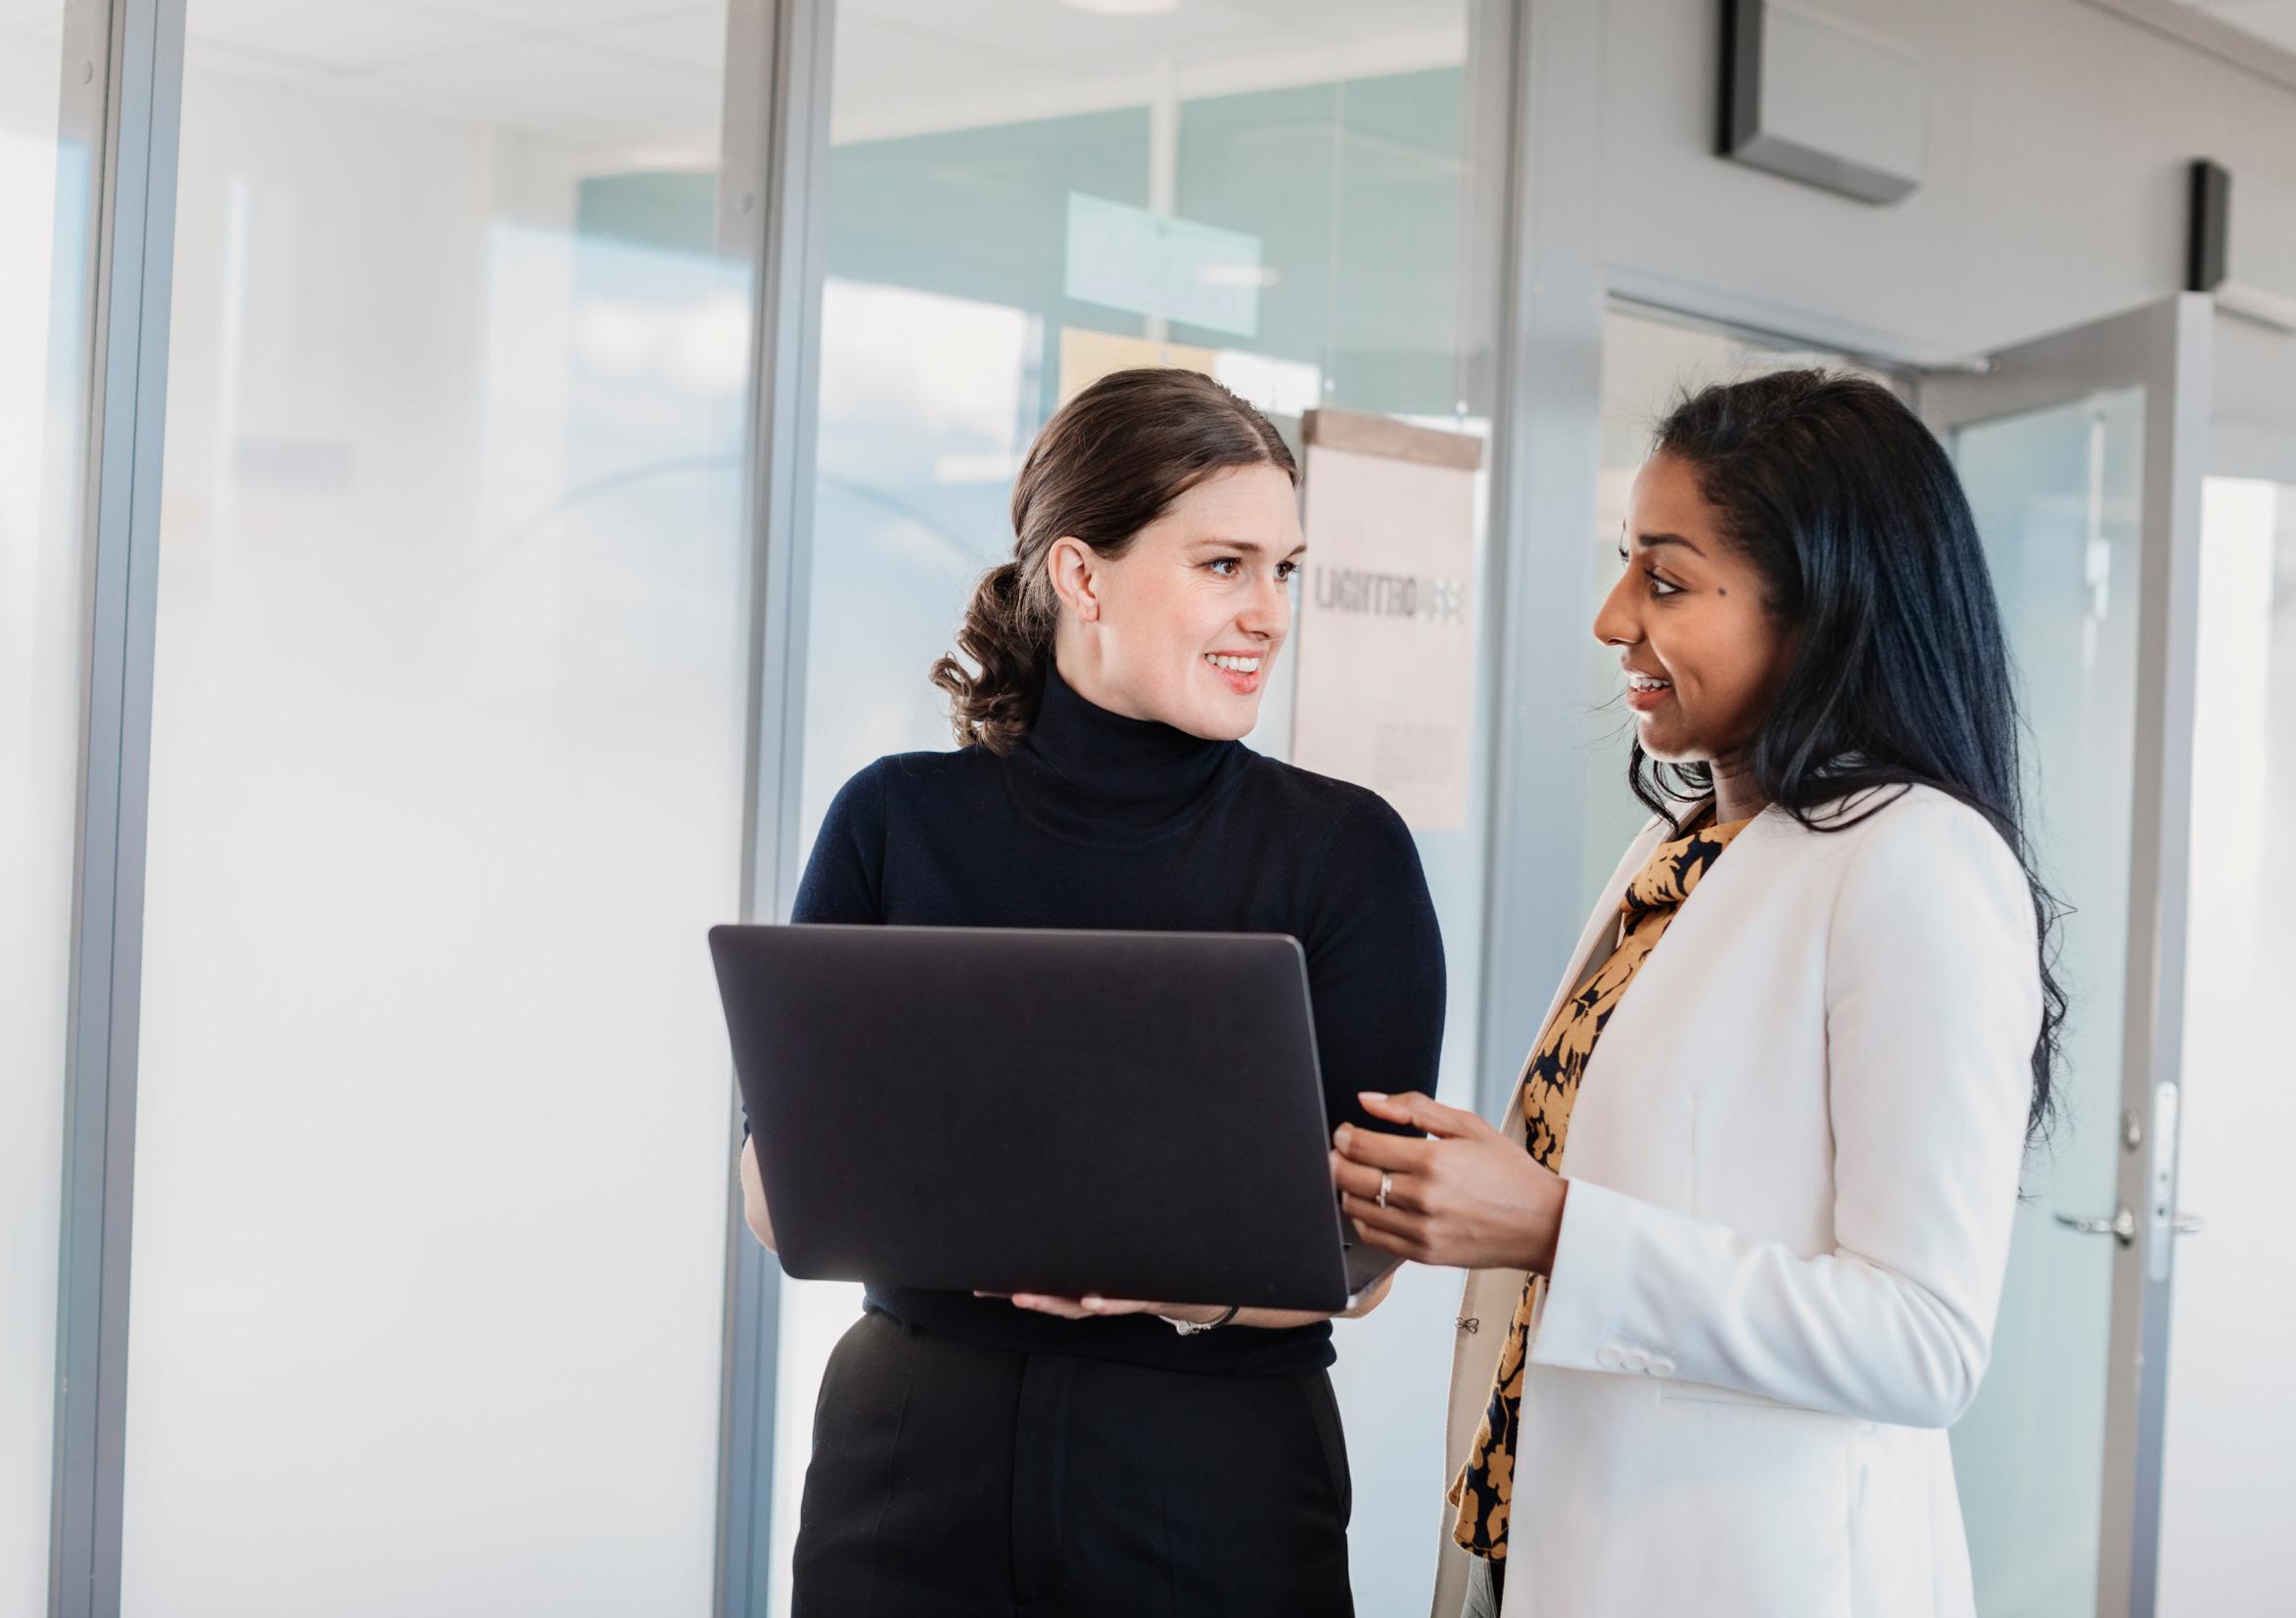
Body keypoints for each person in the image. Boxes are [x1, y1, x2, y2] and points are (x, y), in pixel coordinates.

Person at [1329, 371, 2062, 1618]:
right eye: (1627, 567)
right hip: (1538, 1542)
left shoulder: (1916, 863)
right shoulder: (1676, 849)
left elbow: (1922, 1341)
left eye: (1665, 582)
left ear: (1821, 610)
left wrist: (1556, 1227)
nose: (1614, 618)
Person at [741, 367, 1448, 1616]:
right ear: (1080, 574)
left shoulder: (1341, 852)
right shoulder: (896, 819)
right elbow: (772, 1184)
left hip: (1206, 1462)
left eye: (1283, 570)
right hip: (906, 1451)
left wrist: (1175, 1288)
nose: (1268, 613)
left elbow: (1366, 1247)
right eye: (1223, 564)